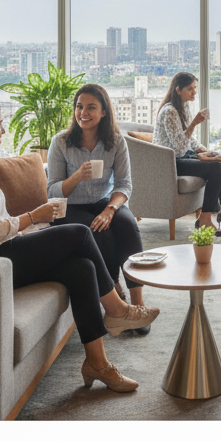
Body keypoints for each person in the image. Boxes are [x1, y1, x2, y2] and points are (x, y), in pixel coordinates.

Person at [0, 98, 157, 393]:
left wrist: (28, 229)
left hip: (2, 250)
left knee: (81, 268)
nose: (3, 130)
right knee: (80, 234)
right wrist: (32, 217)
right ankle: (117, 309)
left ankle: (97, 363)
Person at [47, 84, 156, 334]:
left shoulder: (116, 141)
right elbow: (52, 191)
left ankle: (137, 304)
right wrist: (77, 177)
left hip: (105, 201)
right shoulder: (60, 142)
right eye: (79, 107)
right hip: (70, 207)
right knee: (100, 232)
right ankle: (115, 298)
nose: (83, 113)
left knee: (127, 224)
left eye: (91, 107)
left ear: (104, 112)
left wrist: (110, 209)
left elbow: (124, 184)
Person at [153, 72, 221, 235]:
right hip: (169, 162)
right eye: (190, 89)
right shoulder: (169, 111)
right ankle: (205, 218)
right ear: (178, 90)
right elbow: (179, 148)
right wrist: (194, 123)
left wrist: (205, 151)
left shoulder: (183, 107)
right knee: (217, 169)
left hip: (181, 156)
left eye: (194, 88)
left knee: (219, 159)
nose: (194, 92)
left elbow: (189, 140)